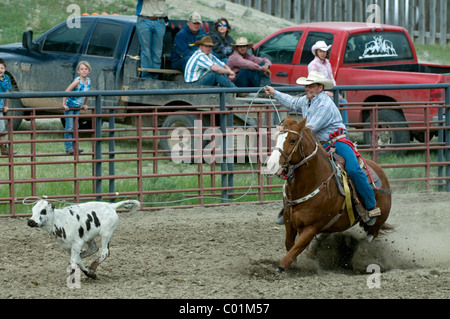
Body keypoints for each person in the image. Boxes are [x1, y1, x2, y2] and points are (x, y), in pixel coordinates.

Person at [264, 71, 380, 226]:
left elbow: (310, 127)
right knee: (294, 168)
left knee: (353, 170)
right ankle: (288, 207)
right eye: (306, 85)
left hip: (337, 142)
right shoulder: (307, 100)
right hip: (319, 144)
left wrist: (288, 130)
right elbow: (292, 103)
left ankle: (371, 207)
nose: (307, 88)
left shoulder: (325, 104)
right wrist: (275, 93)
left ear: (319, 87)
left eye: (310, 85)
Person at [308, 40, 348, 123]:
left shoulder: (327, 64)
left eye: (324, 51)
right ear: (317, 52)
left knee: (343, 102)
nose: (323, 53)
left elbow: (331, 78)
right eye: (321, 51)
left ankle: (344, 127)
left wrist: (335, 91)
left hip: (329, 92)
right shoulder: (313, 65)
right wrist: (327, 93)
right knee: (335, 103)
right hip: (318, 94)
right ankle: (336, 126)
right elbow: (313, 83)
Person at [62, 61, 91, 155]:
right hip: (70, 107)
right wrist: (64, 104)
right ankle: (69, 148)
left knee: (76, 126)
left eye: (86, 69)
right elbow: (66, 91)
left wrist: (84, 104)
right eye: (82, 69)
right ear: (78, 71)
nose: (84, 71)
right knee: (70, 126)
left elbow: (86, 94)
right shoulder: (77, 81)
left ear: (89, 71)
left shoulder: (88, 81)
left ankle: (75, 147)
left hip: (77, 107)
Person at [136, 0, 168, 79]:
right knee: (146, 51)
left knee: (157, 52)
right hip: (145, 18)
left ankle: (155, 78)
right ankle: (147, 78)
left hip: (159, 20)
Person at [0, 58, 14, 156]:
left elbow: (7, 92)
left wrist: (6, 105)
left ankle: (3, 148)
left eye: (2, 68)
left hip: (0, 106)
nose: (0, 70)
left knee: (2, 127)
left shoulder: (6, 78)